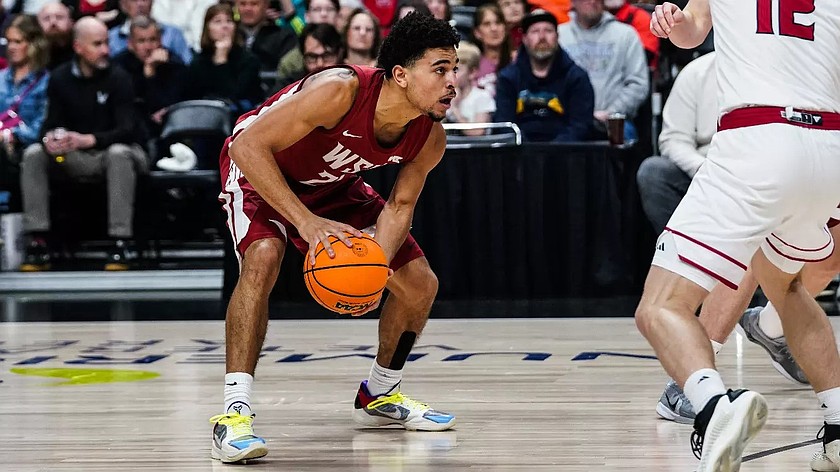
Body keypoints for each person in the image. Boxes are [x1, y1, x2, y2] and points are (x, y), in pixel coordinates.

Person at [210, 12, 459, 463]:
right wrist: (305, 222)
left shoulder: (430, 137)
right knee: (263, 257)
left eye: (455, 69)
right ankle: (234, 413)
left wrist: (374, 267)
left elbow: (400, 207)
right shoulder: (339, 89)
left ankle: (379, 394)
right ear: (401, 75)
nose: (452, 81)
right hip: (258, 172)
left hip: (333, 183)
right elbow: (247, 148)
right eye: (440, 69)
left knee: (420, 285)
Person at [637, 2, 840, 471]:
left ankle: (711, 407)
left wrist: (674, 23)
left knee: (660, 306)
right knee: (786, 286)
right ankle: (836, 425)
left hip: (758, 139)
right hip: (828, 147)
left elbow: (692, 34)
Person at [19, 16, 147, 272]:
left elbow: (127, 130)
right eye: (97, 44)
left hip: (118, 153)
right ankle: (38, 242)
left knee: (118, 154)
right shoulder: (59, 78)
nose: (105, 51)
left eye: (106, 43)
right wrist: (50, 140)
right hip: (77, 155)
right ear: (78, 47)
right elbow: (49, 123)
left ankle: (121, 241)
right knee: (34, 153)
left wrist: (88, 139)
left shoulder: (119, 77)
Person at [495, 9, 593, 142]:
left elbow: (580, 125)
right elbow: (505, 125)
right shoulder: (508, 78)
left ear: (557, 37)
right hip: (519, 155)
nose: (542, 37)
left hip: (566, 154)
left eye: (548, 30)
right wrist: (529, 153)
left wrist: (552, 153)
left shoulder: (577, 77)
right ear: (524, 39)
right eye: (535, 31)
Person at [0, 14, 49, 215]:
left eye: (17, 42)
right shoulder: (1, 79)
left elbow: (42, 128)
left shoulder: (47, 82)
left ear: (33, 43)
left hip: (26, 149)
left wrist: (13, 135)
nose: (11, 47)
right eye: (8, 41)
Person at [37, 1, 74, 69]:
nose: (53, 22)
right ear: (38, 25)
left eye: (59, 17)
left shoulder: (80, 53)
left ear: (71, 23)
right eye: (47, 18)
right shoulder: (33, 55)